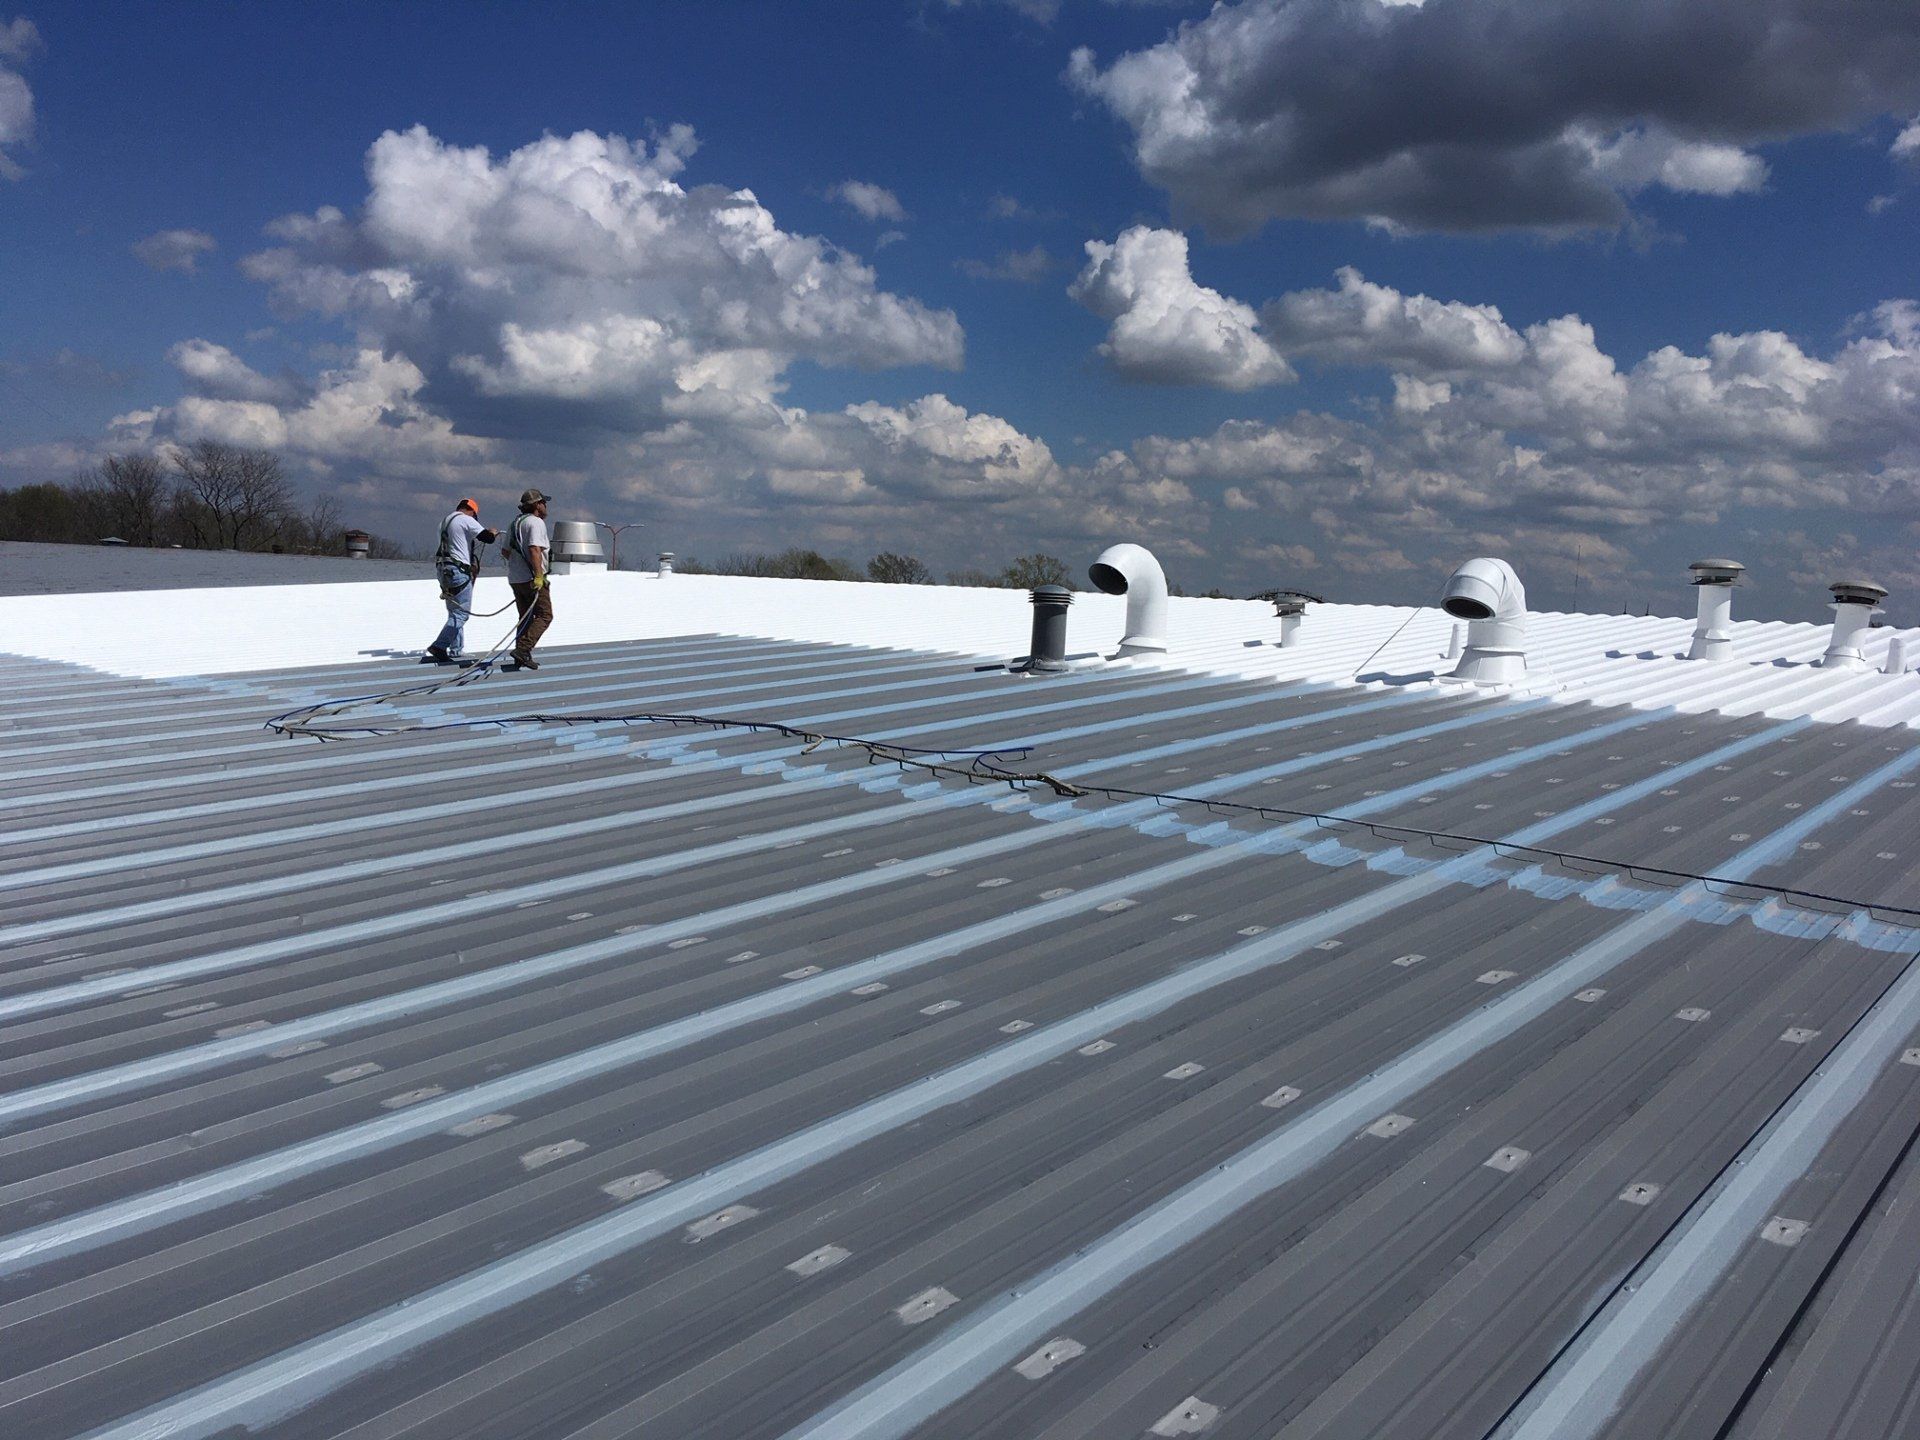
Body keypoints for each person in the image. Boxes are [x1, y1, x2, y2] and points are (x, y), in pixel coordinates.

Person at [425, 498, 497, 662]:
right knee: (461, 614)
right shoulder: (466, 520)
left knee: (454, 611)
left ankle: (456, 649)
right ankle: (440, 645)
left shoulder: (444, 521)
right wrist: (492, 532)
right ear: (471, 511)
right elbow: (487, 538)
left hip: (443, 569)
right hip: (458, 571)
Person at [502, 488, 553, 670]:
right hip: (532, 579)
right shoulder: (536, 523)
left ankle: (520, 655)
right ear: (537, 505)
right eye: (544, 503)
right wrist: (539, 576)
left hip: (516, 579)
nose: (546, 506)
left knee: (525, 617)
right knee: (545, 615)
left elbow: (505, 551)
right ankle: (523, 650)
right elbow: (534, 549)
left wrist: (518, 567)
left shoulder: (514, 523)